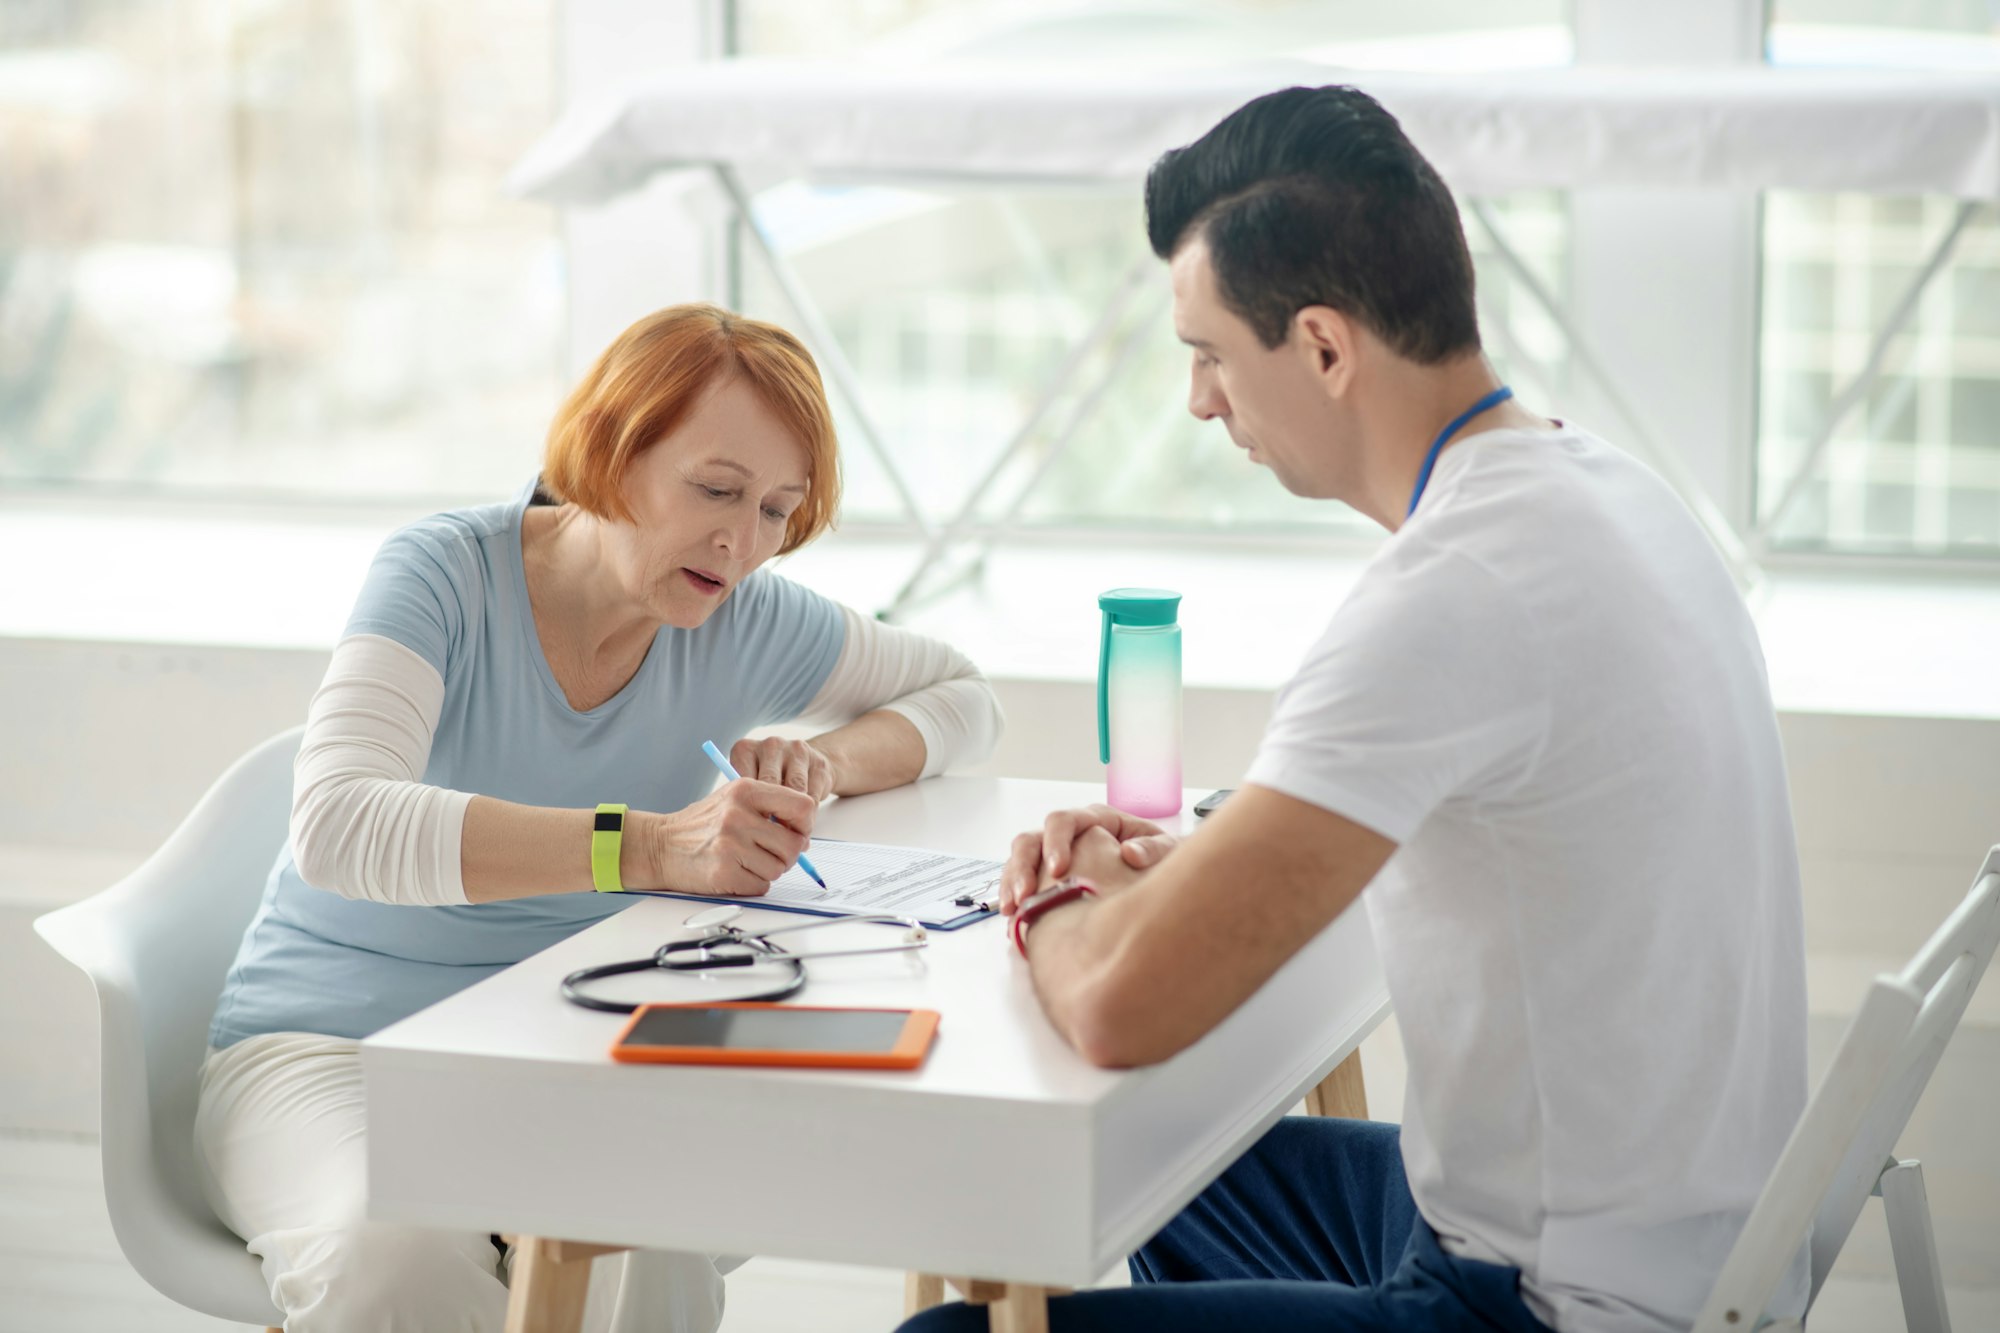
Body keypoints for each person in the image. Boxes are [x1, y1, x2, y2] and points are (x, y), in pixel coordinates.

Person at [903, 86, 1809, 1333]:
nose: (1200, 402)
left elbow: (1116, 1010)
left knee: (948, 1329)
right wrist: (1204, 875)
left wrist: (1057, 904)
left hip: (1540, 1303)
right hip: (1673, 1240)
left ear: (1323, 348)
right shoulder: (1608, 497)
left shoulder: (1447, 594)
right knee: (1140, 1171)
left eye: (1209, 355)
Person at [196, 303, 1004, 1333]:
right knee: (393, 1260)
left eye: (775, 509)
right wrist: (656, 845)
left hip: (576, 1039)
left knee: (644, 1229)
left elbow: (966, 697)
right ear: (611, 450)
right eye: (715, 490)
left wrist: (819, 760)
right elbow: (340, 826)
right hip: (333, 1050)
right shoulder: (441, 576)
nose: (741, 541)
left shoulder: (737, 613)